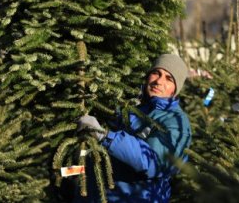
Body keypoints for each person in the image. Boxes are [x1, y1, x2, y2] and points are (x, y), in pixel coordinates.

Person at [75, 53, 192, 202]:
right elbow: (99, 160)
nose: (158, 81)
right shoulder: (129, 107)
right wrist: (66, 172)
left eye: (169, 79)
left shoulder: (176, 122)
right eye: (156, 73)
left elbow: (154, 162)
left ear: (175, 89)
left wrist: (104, 136)